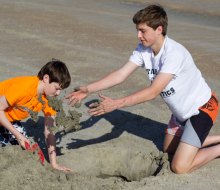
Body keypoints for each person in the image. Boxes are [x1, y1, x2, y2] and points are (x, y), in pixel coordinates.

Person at [66, 4, 219, 174]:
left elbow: (153, 91)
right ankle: (208, 139)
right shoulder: (143, 50)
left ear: (159, 29)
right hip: (180, 114)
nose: (139, 36)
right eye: (137, 31)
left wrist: (117, 104)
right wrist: (88, 89)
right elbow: (120, 75)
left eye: (143, 31)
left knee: (179, 166)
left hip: (201, 109)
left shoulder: (174, 53)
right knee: (168, 148)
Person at [0, 59, 72, 172]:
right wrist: (18, 136)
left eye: (60, 90)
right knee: (19, 136)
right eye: (57, 88)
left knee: (24, 144)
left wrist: (54, 164)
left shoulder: (48, 98)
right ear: (46, 78)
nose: (58, 93)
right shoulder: (25, 87)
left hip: (6, 120)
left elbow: (50, 131)